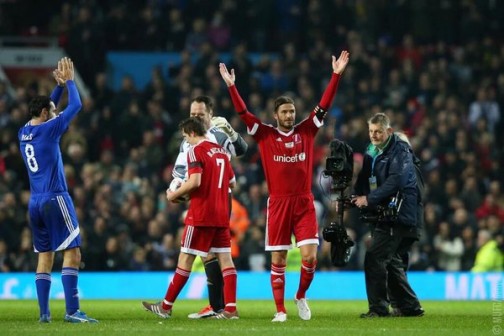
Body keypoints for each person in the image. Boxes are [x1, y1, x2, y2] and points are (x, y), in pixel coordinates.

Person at [219, 50, 350, 322]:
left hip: (303, 201)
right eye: (285, 112)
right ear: (276, 115)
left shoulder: (307, 130)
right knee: (278, 259)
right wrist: (232, 87)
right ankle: (280, 310)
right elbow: (243, 113)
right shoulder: (265, 135)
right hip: (278, 203)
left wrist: (336, 74)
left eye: (292, 111)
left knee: (311, 258)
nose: (290, 115)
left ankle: (301, 295)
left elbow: (324, 105)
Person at [18, 57, 98, 323]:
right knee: (73, 251)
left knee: (45, 256)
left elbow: (46, 108)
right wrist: (71, 83)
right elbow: (77, 105)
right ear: (45, 115)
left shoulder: (24, 132)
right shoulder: (50, 130)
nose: (54, 113)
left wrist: (58, 88)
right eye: (51, 111)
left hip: (35, 203)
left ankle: (44, 314)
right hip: (55, 197)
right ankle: (73, 311)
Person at [142, 117, 238, 319]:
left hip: (201, 215)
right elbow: (232, 184)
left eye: (186, 136)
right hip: (221, 215)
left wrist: (174, 195)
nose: (186, 141)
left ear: (192, 133)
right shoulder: (222, 152)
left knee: (185, 258)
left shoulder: (195, 150)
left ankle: (165, 307)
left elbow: (195, 181)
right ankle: (230, 309)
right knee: (226, 260)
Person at [171, 95, 247, 319]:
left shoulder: (219, 134)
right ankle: (219, 306)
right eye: (192, 114)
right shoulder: (188, 140)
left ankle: (217, 305)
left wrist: (232, 132)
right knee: (210, 253)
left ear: (210, 115)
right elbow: (180, 171)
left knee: (210, 252)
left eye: (200, 115)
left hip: (217, 198)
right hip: (199, 196)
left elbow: (241, 150)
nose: (195, 117)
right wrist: (174, 188)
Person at [352, 113, 424, 318]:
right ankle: (409, 306)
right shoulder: (371, 151)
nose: (374, 136)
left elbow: (397, 181)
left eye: (378, 132)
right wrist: (357, 197)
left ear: (389, 131)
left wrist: (370, 199)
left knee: (376, 257)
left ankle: (379, 308)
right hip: (386, 214)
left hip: (399, 214)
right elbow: (364, 179)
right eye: (371, 131)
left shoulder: (400, 150)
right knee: (391, 260)